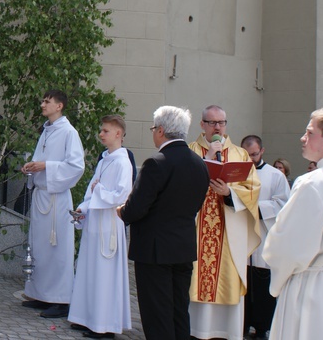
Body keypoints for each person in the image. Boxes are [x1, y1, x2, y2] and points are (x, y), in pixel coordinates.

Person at [118, 106, 209, 340]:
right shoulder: (199, 164)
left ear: (160, 130)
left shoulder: (156, 163)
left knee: (157, 314)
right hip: (183, 247)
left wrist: (122, 211)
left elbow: (136, 208)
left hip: (154, 250)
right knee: (179, 311)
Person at [187, 105, 261, 340]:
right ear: (202, 125)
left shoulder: (240, 154)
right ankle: (194, 332)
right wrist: (205, 162)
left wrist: (229, 193)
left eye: (222, 122)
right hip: (196, 232)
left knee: (227, 281)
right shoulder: (190, 151)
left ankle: (224, 334)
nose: (218, 127)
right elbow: (180, 186)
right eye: (212, 123)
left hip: (229, 233)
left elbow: (253, 189)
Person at [263, 108, 323, 340]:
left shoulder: (313, 183)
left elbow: (287, 246)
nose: (303, 138)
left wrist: (278, 282)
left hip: (313, 288)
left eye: (310, 133)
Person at [20, 89, 85, 319]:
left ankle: (61, 300)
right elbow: (42, 160)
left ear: (60, 106)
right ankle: (40, 294)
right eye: (42, 100)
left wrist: (46, 166)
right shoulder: (46, 131)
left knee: (58, 250)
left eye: (47, 101)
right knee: (40, 247)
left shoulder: (69, 132)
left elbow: (76, 166)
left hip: (56, 198)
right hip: (41, 196)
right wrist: (31, 166)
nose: (42, 104)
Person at [68, 115, 132, 338]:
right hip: (95, 222)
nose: (101, 134)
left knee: (104, 275)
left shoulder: (123, 162)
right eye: (101, 130)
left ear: (118, 134)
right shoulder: (105, 160)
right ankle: (86, 317)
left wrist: (98, 192)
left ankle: (104, 325)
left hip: (109, 225)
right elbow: (91, 191)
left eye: (105, 131)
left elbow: (122, 195)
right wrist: (82, 209)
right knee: (89, 271)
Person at [240, 135, 290, 339]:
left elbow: (282, 204)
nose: (250, 159)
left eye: (254, 154)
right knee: (243, 285)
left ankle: (261, 328)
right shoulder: (237, 172)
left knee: (262, 288)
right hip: (241, 237)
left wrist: (254, 208)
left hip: (263, 236)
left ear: (262, 151)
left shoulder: (275, 175)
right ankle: (241, 324)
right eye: (246, 154)